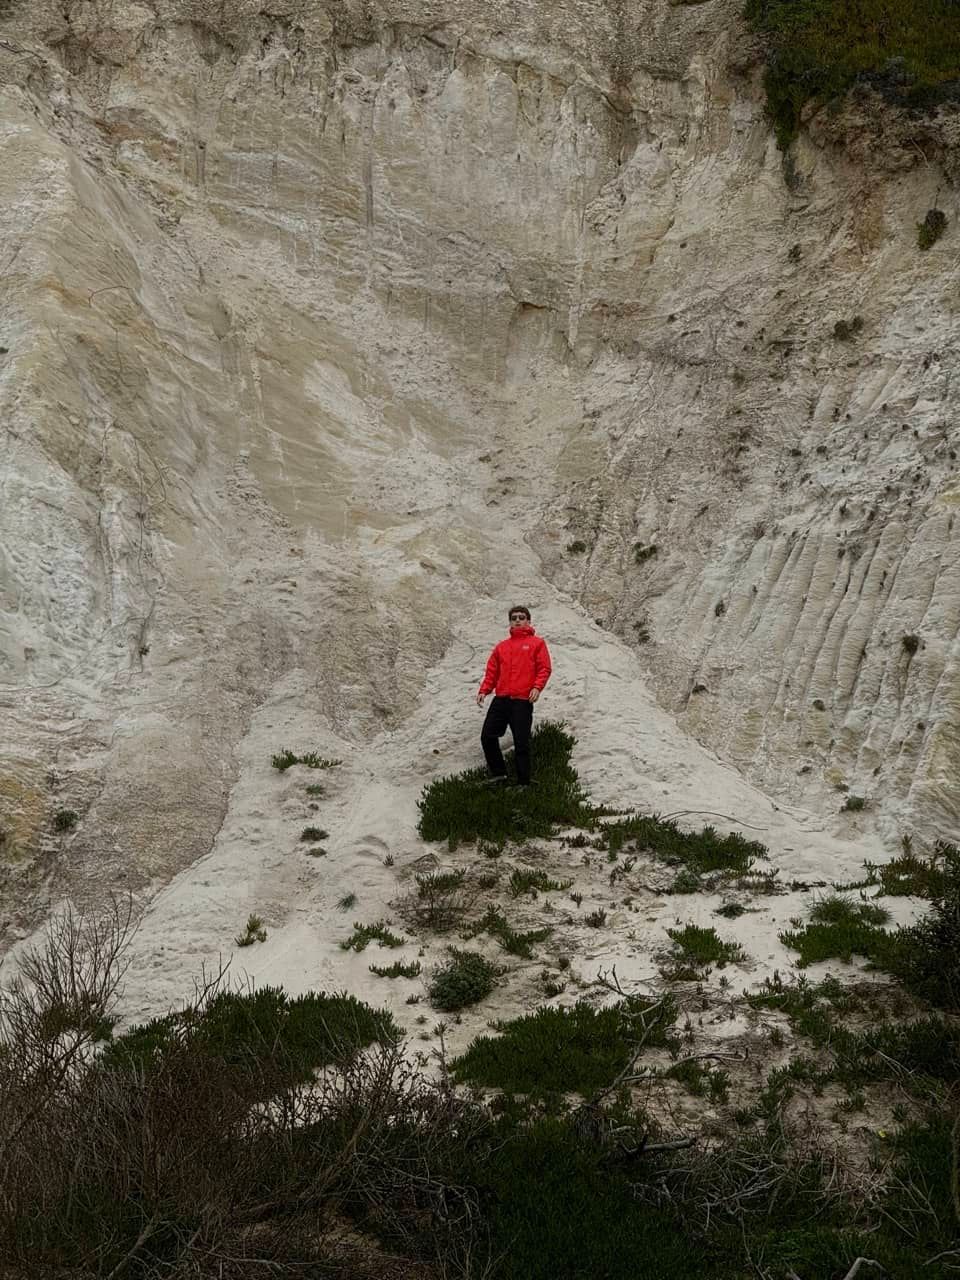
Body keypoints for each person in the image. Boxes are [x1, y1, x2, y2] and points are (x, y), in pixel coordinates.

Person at [475, 605, 552, 786]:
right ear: (510, 622)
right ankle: (499, 774)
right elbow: (492, 672)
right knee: (487, 736)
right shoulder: (502, 647)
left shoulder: (537, 643)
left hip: (522, 700)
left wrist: (537, 687)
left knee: (521, 742)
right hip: (501, 699)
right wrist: (484, 690)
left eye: (522, 617)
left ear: (528, 621)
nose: (518, 620)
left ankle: (523, 782)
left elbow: (544, 668)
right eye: (514, 617)